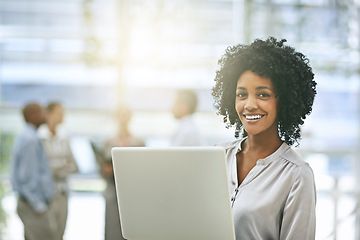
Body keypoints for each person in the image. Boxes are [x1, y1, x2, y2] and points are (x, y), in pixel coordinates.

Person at [212, 37, 317, 240]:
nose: (249, 105)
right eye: (241, 95)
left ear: (284, 100)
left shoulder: (297, 175)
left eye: (263, 95)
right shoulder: (216, 155)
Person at [10, 102, 56, 240]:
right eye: (41, 112)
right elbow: (27, 176)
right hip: (33, 206)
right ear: (32, 116)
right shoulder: (30, 140)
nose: (45, 115)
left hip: (31, 203)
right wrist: (38, 205)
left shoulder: (28, 136)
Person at [100, 105, 145, 240]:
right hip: (112, 191)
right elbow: (101, 170)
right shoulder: (107, 143)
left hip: (132, 193)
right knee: (112, 229)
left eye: (126, 115)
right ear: (116, 118)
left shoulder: (139, 143)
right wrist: (107, 170)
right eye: (120, 115)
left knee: (132, 230)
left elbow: (143, 170)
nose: (123, 118)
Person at [38, 102, 79, 240]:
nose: (62, 116)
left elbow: (74, 166)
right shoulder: (38, 138)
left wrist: (55, 168)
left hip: (62, 192)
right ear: (48, 114)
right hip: (44, 194)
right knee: (44, 233)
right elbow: (39, 168)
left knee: (59, 234)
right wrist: (62, 165)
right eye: (59, 112)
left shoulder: (64, 138)